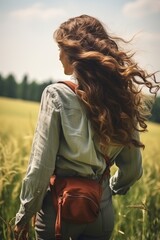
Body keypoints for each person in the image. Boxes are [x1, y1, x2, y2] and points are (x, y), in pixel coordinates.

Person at [14, 14, 159, 240]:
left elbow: (40, 167)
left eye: (61, 48)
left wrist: (24, 215)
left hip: (59, 210)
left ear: (75, 53)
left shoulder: (55, 95)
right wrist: (107, 190)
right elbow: (133, 170)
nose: (58, 55)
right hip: (100, 212)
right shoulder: (120, 99)